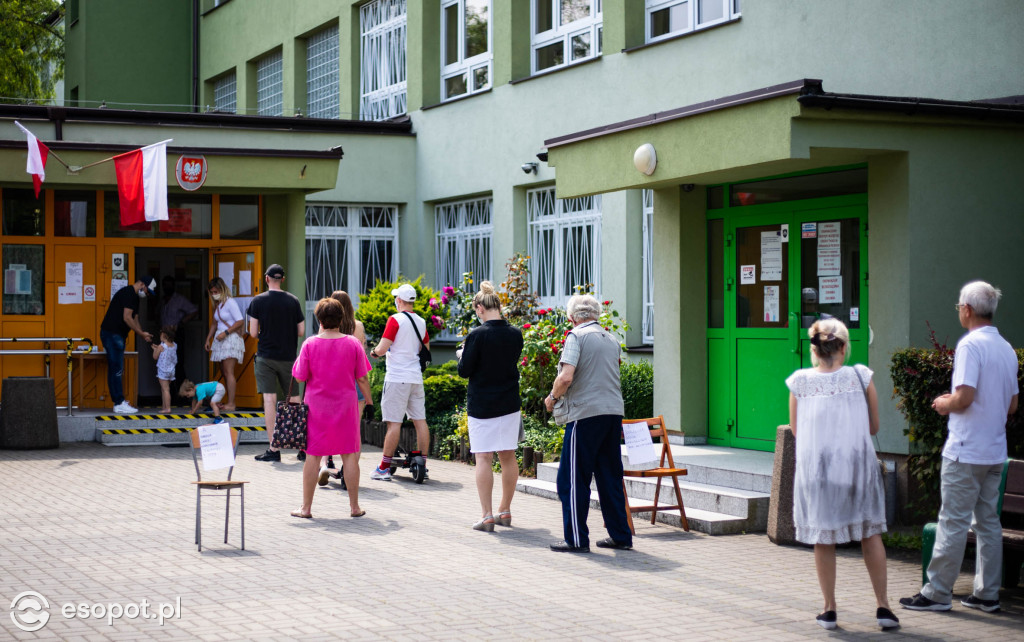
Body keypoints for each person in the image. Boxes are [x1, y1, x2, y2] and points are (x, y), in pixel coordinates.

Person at [900, 281, 1019, 614]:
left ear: (967, 309)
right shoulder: (1006, 348)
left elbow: (964, 397)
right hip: (995, 451)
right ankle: (987, 594)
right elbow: (1012, 406)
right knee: (988, 524)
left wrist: (943, 403)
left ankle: (937, 593)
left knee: (952, 521)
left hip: (966, 450)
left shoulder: (970, 346)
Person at [785, 318, 898, 631]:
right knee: (869, 533)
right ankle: (883, 607)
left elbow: (797, 431)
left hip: (817, 471)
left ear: (814, 349)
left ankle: (830, 609)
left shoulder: (800, 382)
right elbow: (873, 426)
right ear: (844, 346)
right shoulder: (860, 376)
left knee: (824, 538)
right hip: (857, 469)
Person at [544, 294, 632, 553]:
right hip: (612, 413)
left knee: (571, 479)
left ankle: (575, 539)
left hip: (584, 415)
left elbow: (566, 376)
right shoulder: (611, 340)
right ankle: (620, 535)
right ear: (596, 315)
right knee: (609, 477)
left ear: (572, 317)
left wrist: (551, 398)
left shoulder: (576, 337)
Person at [291, 298, 373, 518]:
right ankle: (354, 507)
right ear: (341, 319)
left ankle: (306, 508)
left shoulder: (309, 344)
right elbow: (363, 379)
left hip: (317, 409)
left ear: (319, 319)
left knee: (313, 456)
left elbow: (299, 376)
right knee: (349, 455)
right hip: (346, 408)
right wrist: (370, 402)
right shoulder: (353, 343)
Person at [457, 281, 524, 531]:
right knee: (508, 455)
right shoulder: (515, 334)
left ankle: (486, 515)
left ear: (479, 308)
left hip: (482, 404)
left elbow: (465, 371)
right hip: (509, 403)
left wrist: (463, 354)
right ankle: (504, 510)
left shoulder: (477, 335)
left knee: (483, 457)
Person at [368, 283, 430, 481]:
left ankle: (384, 467)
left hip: (397, 377)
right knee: (420, 421)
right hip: (415, 378)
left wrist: (374, 352)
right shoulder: (421, 322)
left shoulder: (395, 320)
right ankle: (423, 464)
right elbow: (425, 348)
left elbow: (383, 347)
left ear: (400, 301)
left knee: (394, 423)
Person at [247, 264, 306, 462]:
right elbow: (301, 331)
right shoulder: (293, 301)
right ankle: (301, 446)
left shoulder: (258, 301)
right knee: (295, 400)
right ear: (283, 279)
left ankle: (273, 448)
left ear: (266, 279)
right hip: (289, 357)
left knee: (270, 400)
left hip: (266, 357)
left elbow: (253, 333)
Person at [317, 290, 368, 486]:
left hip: (330, 383)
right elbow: (362, 356)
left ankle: (324, 464)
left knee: (327, 427)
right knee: (353, 432)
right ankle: (349, 472)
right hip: (354, 382)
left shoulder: (324, 327)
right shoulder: (358, 326)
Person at [100, 274, 156, 414]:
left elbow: (134, 318)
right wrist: (141, 333)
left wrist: (143, 334)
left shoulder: (134, 297)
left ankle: (118, 401)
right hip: (113, 334)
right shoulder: (128, 293)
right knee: (117, 370)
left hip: (114, 334)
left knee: (115, 369)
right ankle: (118, 403)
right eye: (148, 291)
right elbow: (127, 318)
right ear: (143, 284)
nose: (147, 294)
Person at [204, 277, 244, 412]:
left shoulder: (230, 302)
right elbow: (214, 323)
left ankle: (232, 403)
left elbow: (240, 321)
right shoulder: (218, 305)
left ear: (222, 289)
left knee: (229, 371)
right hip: (220, 339)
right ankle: (228, 400)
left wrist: (226, 333)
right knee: (224, 372)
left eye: (216, 291)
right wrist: (208, 339)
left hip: (229, 339)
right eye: (212, 292)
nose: (214, 294)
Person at [159, 275, 197, 385]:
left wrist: (181, 323)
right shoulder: (162, 300)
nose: (167, 287)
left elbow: (194, 311)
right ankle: (168, 392)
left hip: (176, 333)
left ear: (174, 286)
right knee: (164, 363)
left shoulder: (179, 299)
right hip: (164, 335)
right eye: (165, 285)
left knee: (178, 363)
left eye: (169, 285)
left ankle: (182, 394)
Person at [151, 325, 178, 413]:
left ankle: (167, 408)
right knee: (165, 389)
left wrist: (155, 349)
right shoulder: (174, 345)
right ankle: (164, 407)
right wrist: (157, 348)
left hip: (163, 370)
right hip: (171, 370)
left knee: (165, 389)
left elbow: (155, 357)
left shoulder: (161, 346)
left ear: (164, 336)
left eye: (160, 335)